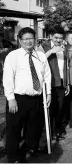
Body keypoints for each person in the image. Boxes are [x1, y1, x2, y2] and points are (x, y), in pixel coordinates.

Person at [3, 27, 51, 163]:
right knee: (14, 129)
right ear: (19, 40)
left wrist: (48, 94)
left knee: (33, 128)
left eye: (31, 38)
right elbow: (7, 78)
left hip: (36, 98)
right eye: (25, 39)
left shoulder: (40, 56)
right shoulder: (13, 56)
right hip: (18, 99)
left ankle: (27, 151)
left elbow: (47, 75)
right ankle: (13, 157)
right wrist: (11, 98)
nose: (29, 42)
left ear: (35, 40)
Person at [38, 25, 68, 140]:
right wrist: (51, 51)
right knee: (50, 109)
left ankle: (58, 130)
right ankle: (49, 133)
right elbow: (39, 62)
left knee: (60, 109)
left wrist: (67, 83)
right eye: (56, 37)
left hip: (61, 82)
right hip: (49, 83)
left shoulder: (64, 48)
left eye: (60, 38)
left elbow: (66, 67)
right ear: (51, 36)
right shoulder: (43, 47)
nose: (58, 40)